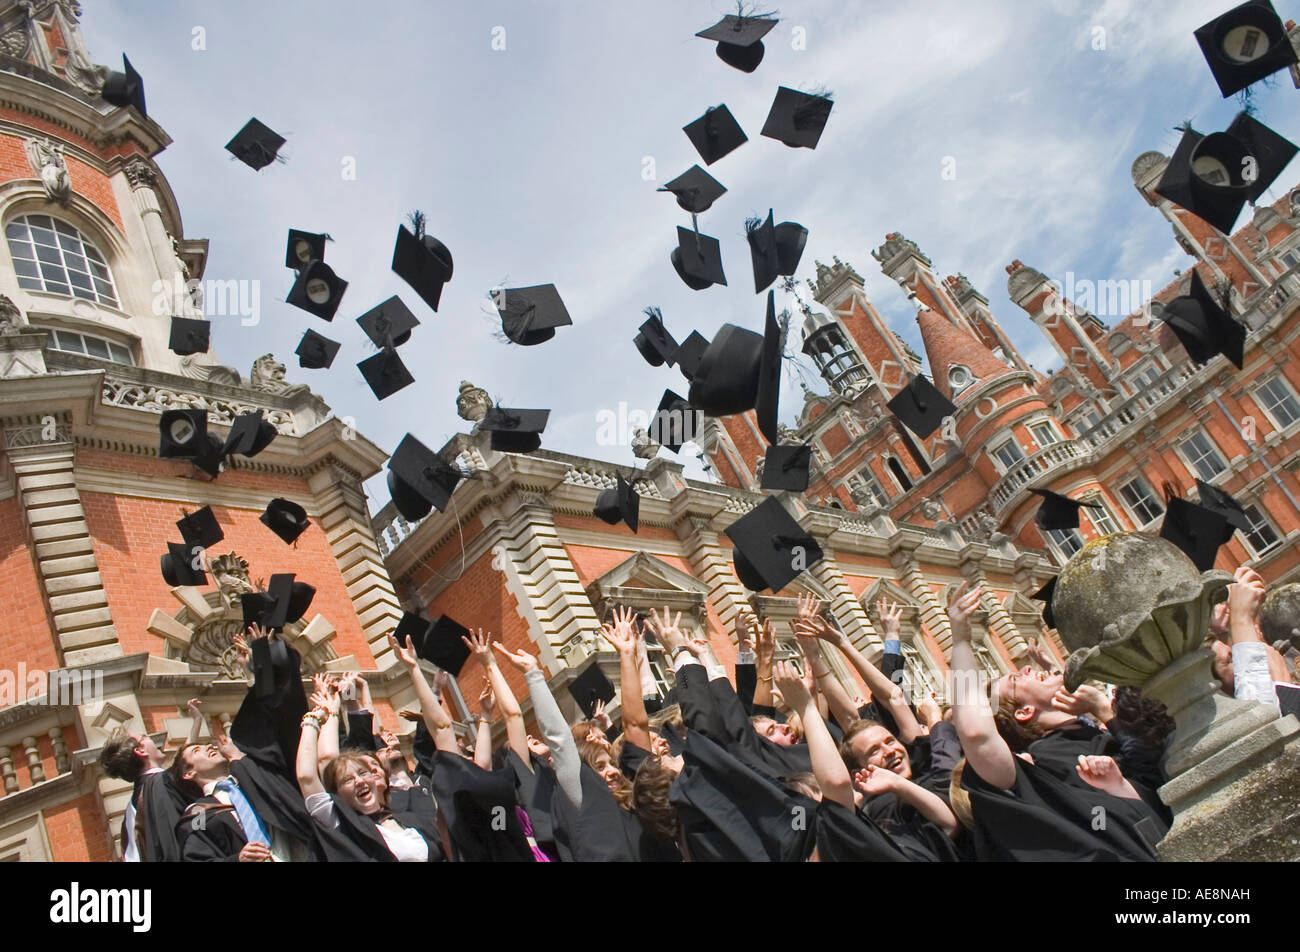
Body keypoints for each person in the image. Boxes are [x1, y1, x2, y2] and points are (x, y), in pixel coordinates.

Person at [947, 581, 1168, 861]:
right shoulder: (1045, 761)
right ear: (1024, 712)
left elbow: (1154, 777)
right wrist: (960, 640)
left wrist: (1104, 713)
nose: (1026, 667)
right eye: (1016, 679)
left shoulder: (1094, 728)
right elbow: (977, 733)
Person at [296, 673, 444, 862]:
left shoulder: (415, 815)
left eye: (363, 773)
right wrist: (319, 716)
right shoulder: (344, 825)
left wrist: (355, 690)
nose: (359, 780)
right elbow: (317, 768)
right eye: (348, 780)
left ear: (378, 778)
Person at [99, 726, 188, 862]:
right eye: (145, 737)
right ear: (140, 751)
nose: (151, 739)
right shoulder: (163, 783)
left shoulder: (130, 811)